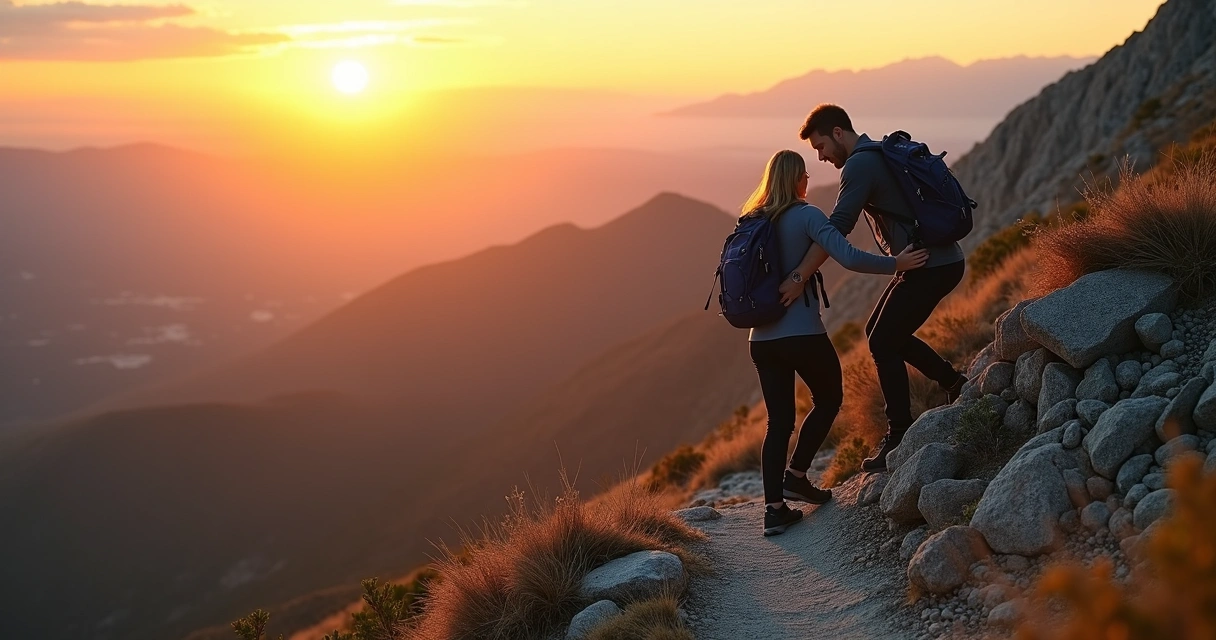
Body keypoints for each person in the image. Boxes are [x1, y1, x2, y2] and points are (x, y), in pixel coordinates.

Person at [742, 150, 929, 536]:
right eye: (806, 176)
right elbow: (847, 256)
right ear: (798, 179)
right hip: (802, 334)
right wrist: (896, 264)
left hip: (760, 339)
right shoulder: (807, 215)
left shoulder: (751, 220)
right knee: (828, 400)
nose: (807, 182)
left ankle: (774, 510)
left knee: (778, 422)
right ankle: (796, 475)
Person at [789, 104, 968, 474]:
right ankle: (954, 382)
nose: (821, 157)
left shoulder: (859, 164)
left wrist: (799, 275)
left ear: (838, 133)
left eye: (821, 147)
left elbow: (837, 227)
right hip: (932, 261)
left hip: (930, 265)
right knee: (879, 333)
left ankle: (899, 433)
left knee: (883, 341)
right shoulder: (877, 151)